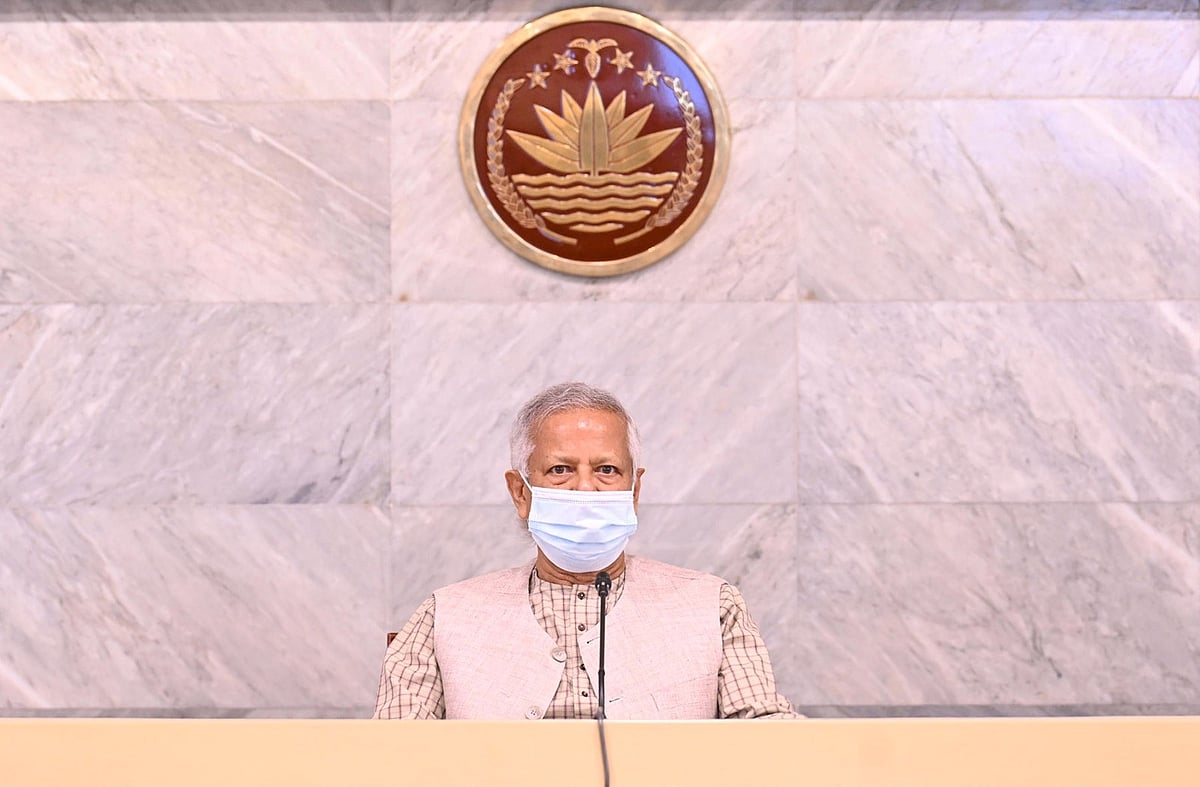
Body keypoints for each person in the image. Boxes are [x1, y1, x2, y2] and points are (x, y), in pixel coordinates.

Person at [374, 382, 798, 720]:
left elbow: (770, 739)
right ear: (521, 492)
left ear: (635, 490)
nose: (585, 488)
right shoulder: (443, 615)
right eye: (560, 470)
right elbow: (388, 760)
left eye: (606, 470)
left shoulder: (713, 605)